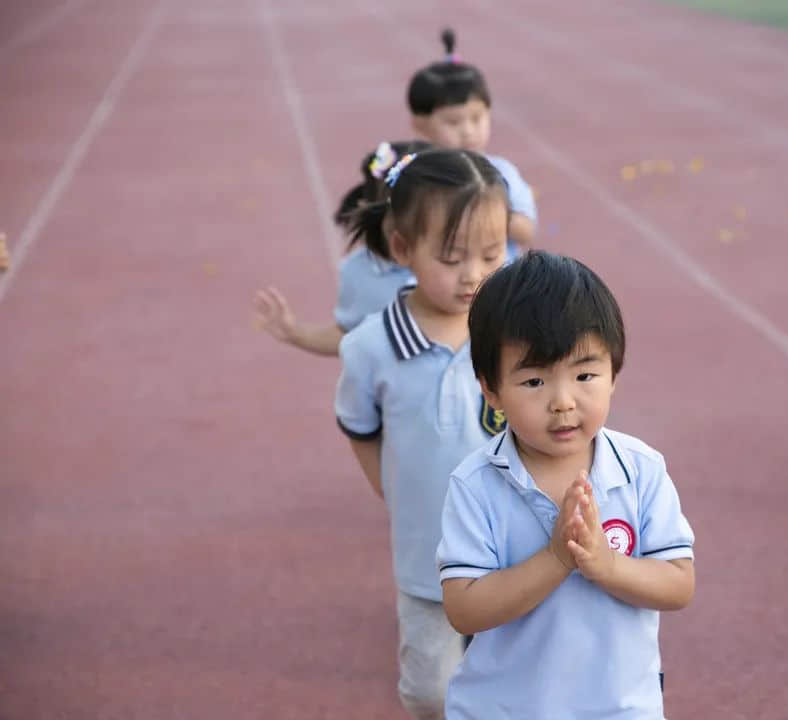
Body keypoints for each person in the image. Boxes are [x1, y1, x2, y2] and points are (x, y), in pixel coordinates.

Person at [437, 251, 695, 718]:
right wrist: (556, 558)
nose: (562, 401)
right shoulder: (476, 484)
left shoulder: (641, 469)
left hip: (619, 708)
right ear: (491, 390)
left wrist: (605, 564)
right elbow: (463, 609)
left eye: (585, 375)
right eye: (534, 381)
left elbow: (678, 584)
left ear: (614, 372)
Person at [334, 148, 509, 718]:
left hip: (512, 548)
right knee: (431, 689)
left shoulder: (510, 331)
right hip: (427, 556)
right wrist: (386, 484)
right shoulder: (370, 347)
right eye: (453, 258)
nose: (475, 275)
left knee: (512, 673)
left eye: (492, 253)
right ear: (404, 248)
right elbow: (359, 426)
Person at [253, 140, 428, 355]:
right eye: (403, 214)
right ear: (369, 212)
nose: (417, 226)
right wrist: (296, 333)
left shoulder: (465, 262)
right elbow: (350, 336)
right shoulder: (359, 271)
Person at [406, 29, 537, 255]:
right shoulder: (414, 173)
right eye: (453, 122)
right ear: (421, 124)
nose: (468, 131)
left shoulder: (502, 172)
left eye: (477, 118)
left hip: (499, 285)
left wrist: (483, 209)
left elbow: (526, 231)